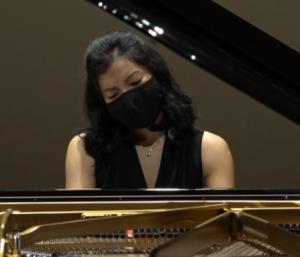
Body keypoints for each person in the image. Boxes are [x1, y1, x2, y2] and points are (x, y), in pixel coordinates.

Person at [65, 31, 234, 189]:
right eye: (113, 94)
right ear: (101, 102)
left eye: (135, 82)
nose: (129, 99)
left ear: (157, 74)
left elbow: (221, 218)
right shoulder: (84, 150)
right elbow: (78, 218)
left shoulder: (210, 149)